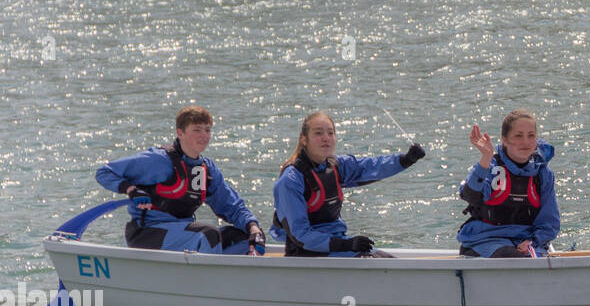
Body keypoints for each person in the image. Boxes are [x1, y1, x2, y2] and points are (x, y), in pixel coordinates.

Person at [95, 106, 265, 255]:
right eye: (197, 130)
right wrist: (130, 189)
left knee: (243, 238)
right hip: (147, 234)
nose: (204, 136)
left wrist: (253, 227)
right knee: (208, 235)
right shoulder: (158, 160)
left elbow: (231, 206)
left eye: (207, 130)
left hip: (184, 235)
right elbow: (105, 172)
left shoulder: (206, 169)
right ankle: (206, 285)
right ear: (180, 133)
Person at [271, 111, 425, 258]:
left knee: (385, 258)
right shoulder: (290, 180)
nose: (326, 138)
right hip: (306, 252)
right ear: (304, 140)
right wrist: (346, 244)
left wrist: (405, 160)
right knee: (372, 259)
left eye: (330, 133)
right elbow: (300, 235)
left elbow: (370, 167)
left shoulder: (336, 166)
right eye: (318, 133)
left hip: (336, 245)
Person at [457, 111, 560, 258]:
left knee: (529, 257)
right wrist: (486, 158)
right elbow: (469, 195)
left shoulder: (543, 174)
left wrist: (533, 241)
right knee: (513, 256)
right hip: (484, 241)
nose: (525, 142)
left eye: (531, 135)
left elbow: (549, 222)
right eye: (518, 136)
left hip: (524, 243)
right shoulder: (490, 166)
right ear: (504, 140)